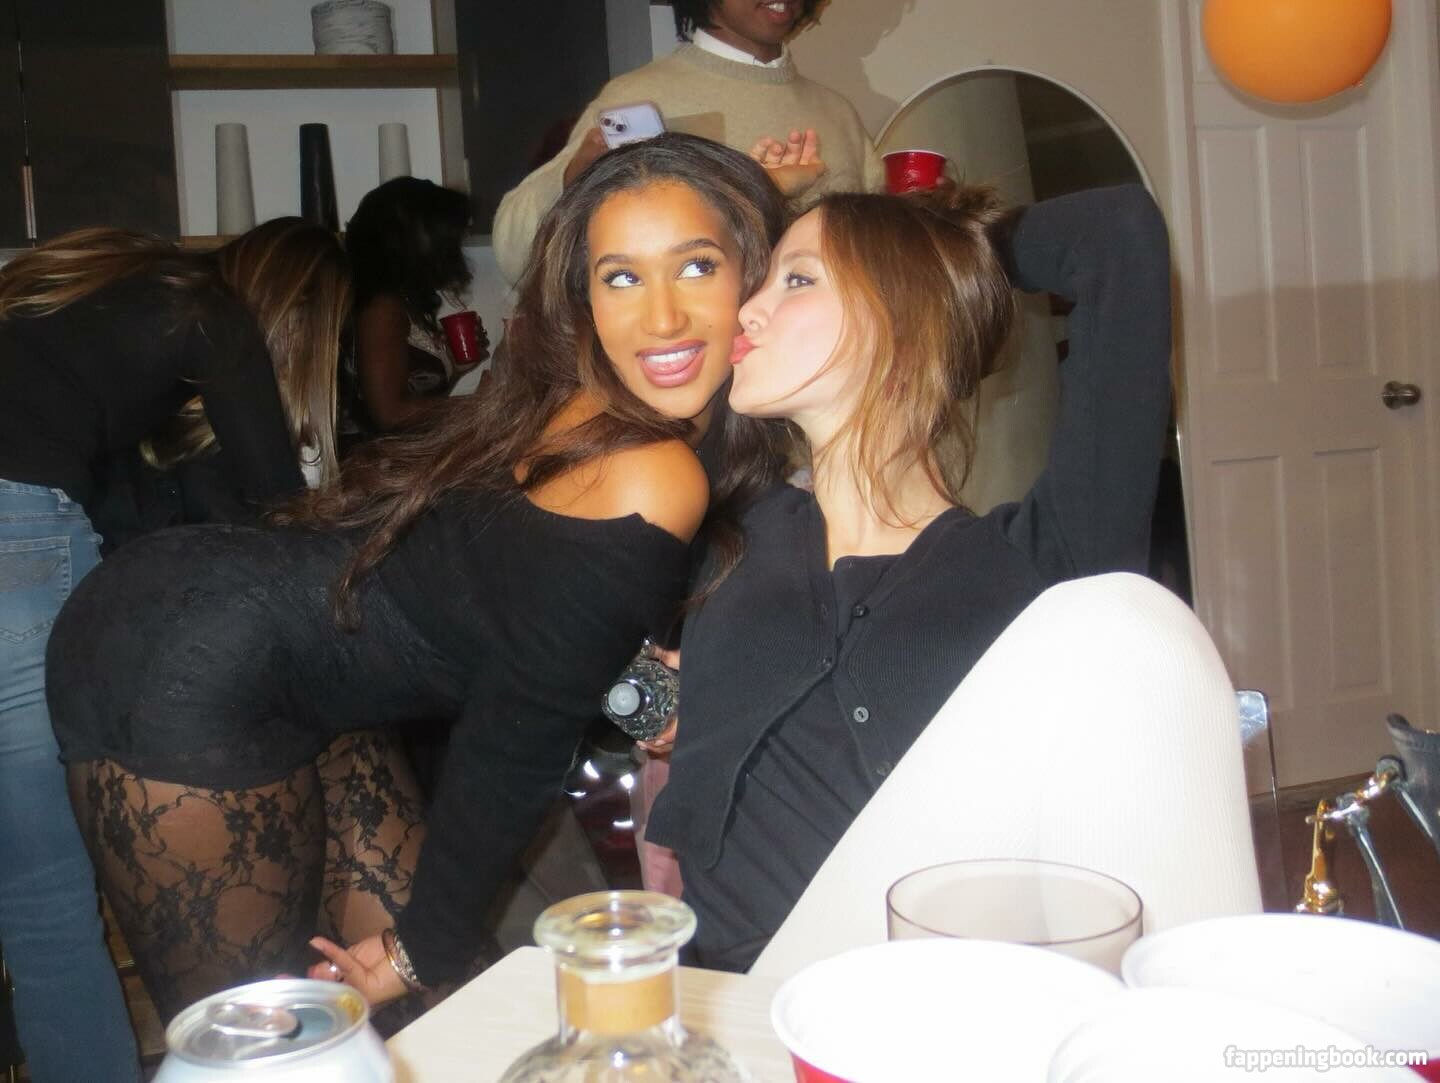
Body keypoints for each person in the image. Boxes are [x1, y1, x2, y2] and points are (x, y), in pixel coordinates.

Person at [46, 134, 790, 1019]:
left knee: (436, 1022)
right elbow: (517, 733)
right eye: (622, 277)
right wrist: (420, 943)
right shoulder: (647, 468)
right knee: (260, 1043)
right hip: (187, 661)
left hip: (288, 662)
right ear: (583, 299)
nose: (663, 318)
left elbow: (515, 606)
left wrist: (641, 680)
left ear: (754, 272)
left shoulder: (589, 408)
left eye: (697, 265)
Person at [641, 183, 1174, 972]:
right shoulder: (724, 524)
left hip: (938, 1014)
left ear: (899, 313)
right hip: (732, 1010)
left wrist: (939, 252)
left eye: (797, 279)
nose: (747, 310)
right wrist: (647, 693)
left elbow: (1117, 233)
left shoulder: (1043, 570)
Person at [0, 217, 349, 1083]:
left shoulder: (71, 288)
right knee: (45, 907)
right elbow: (280, 513)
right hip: (14, 533)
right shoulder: (207, 309)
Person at [491, 0, 881, 286]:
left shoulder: (837, 113)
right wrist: (573, 183)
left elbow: (879, 260)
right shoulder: (638, 98)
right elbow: (516, 258)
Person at [341, 177, 486, 438]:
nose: (455, 251)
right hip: (380, 462)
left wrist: (455, 368)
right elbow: (390, 413)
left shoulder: (398, 301)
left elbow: (414, 408)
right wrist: (483, 406)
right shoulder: (382, 307)